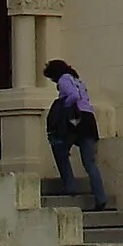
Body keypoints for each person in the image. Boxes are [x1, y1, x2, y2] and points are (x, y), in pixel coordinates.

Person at [45, 60, 107, 211]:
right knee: (90, 162)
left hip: (75, 119)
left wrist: (64, 105)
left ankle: (70, 186)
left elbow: (73, 96)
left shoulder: (64, 79)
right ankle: (101, 198)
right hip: (89, 120)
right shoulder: (78, 80)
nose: (54, 82)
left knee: (59, 147)